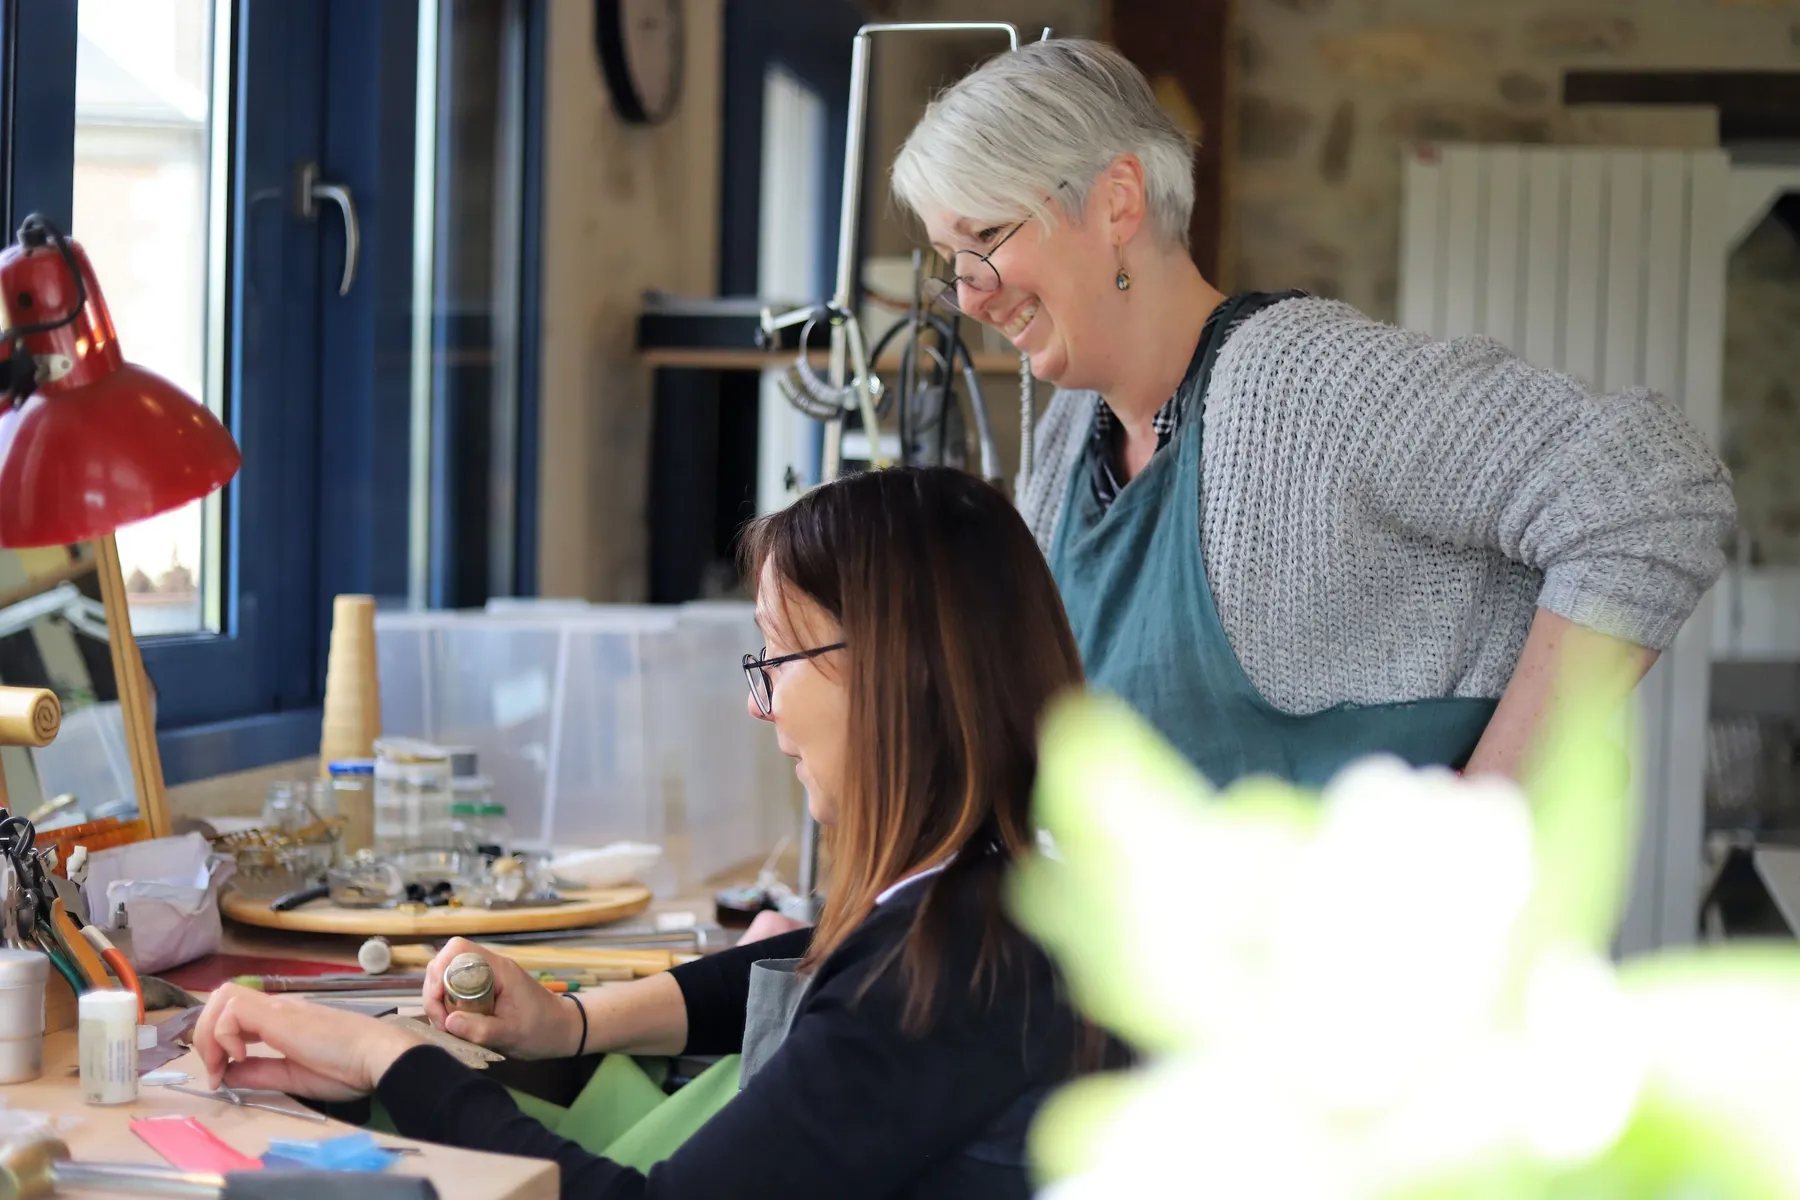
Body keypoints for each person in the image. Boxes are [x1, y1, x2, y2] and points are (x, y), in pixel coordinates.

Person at [191, 466, 1112, 1200]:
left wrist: (392, 1056)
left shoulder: (938, 977)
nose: (760, 704)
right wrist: (571, 1021)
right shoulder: (1010, 891)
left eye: (778, 656)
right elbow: (822, 952)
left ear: (891, 673)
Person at [889, 38, 1737, 788]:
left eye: (985, 237)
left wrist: (1492, 806)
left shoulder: (1301, 388)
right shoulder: (1070, 438)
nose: (969, 294)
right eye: (948, 260)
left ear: (1116, 202)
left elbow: (1651, 486)